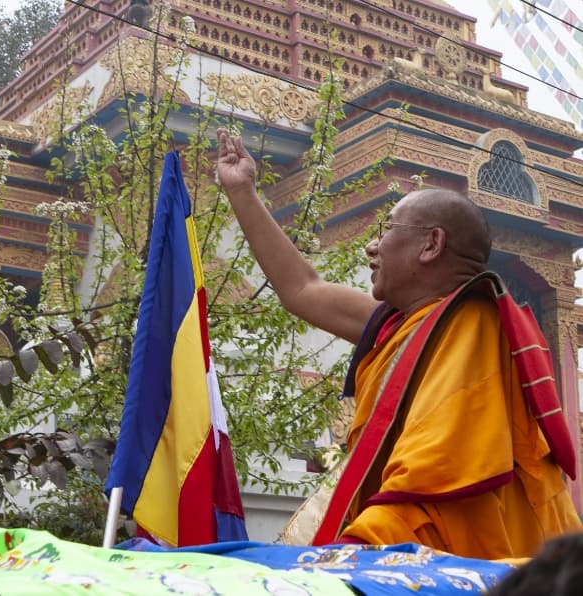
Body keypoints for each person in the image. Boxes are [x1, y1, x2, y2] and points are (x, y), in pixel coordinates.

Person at [214, 128, 582, 560]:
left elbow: (435, 471)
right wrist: (242, 192)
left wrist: (348, 553)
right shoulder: (401, 325)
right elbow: (302, 290)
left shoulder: (474, 324)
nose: (371, 247)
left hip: (472, 559)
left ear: (431, 244)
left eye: (387, 229)